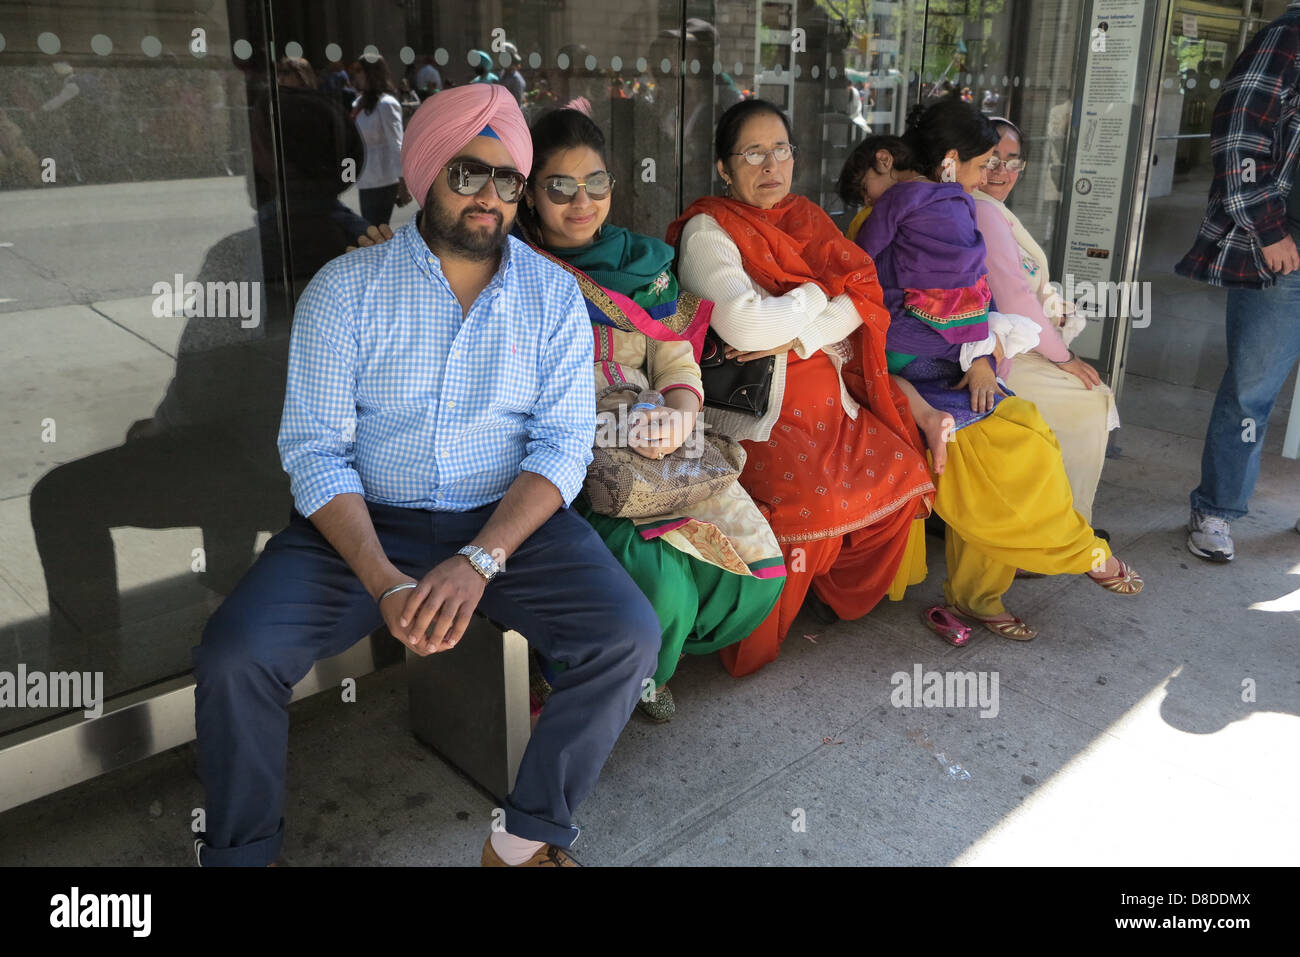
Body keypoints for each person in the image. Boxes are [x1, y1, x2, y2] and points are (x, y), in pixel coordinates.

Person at [191, 84, 661, 868]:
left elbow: (562, 446)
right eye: (468, 173)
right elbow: (313, 451)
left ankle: (523, 838)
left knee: (626, 634)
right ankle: (240, 854)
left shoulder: (549, 296)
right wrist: (382, 579)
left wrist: (482, 558)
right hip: (367, 523)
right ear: (424, 172)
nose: (490, 197)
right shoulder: (346, 291)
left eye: (509, 179)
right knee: (235, 654)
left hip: (505, 523)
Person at [518, 107, 785, 719]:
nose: (581, 201)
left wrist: (681, 412)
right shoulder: (512, 270)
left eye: (596, 183)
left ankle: (637, 664)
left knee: (756, 569)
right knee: (662, 581)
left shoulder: (644, 264)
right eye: (560, 186)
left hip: (657, 436)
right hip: (569, 453)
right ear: (531, 193)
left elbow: (675, 363)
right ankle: (612, 677)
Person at [855, 99, 1142, 641]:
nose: (992, 174)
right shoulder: (890, 209)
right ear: (951, 158)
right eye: (985, 161)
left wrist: (982, 357)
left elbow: (977, 294)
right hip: (908, 368)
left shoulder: (962, 206)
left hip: (962, 360)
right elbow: (859, 281)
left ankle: (983, 593)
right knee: (999, 460)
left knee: (1032, 434)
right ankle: (1078, 554)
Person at [668, 99, 936, 676]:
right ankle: (754, 638)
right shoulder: (707, 231)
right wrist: (821, 291)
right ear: (723, 167)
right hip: (753, 412)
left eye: (781, 150)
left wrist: (793, 337)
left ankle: (830, 594)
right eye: (753, 153)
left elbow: (862, 303)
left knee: (905, 475)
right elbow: (744, 326)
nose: (771, 165)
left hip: (830, 402)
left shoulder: (805, 218)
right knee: (812, 508)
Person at [1176, 4, 1300, 561]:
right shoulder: (1292, 33)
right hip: (1286, 251)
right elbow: (1238, 134)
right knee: (1253, 389)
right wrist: (1269, 230)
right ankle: (1217, 510)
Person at [970, 116, 1118, 528]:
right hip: (989, 354)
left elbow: (1029, 278)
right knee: (1088, 399)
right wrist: (1063, 356)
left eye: (1013, 161)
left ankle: (1059, 524)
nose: (1002, 172)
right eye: (992, 159)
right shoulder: (981, 210)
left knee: (1087, 395)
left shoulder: (994, 209)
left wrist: (1056, 308)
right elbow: (1012, 292)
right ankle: (1055, 530)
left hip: (1016, 341)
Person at [351, 54, 410, 227]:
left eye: (359, 70)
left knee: (375, 231)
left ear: (372, 73)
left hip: (383, 178)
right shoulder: (358, 103)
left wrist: (402, 182)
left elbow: (396, 144)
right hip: (365, 177)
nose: (355, 75)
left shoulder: (386, 104)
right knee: (373, 232)